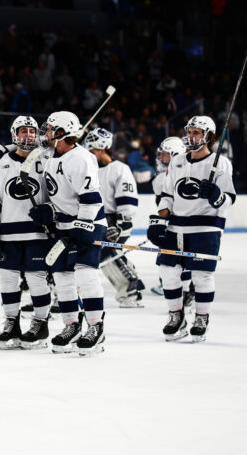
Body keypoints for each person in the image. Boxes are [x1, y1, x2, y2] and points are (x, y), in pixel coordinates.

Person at [28, 111, 107, 356]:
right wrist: (49, 211)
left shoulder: (81, 158)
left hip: (89, 223)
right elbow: (60, 197)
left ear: (62, 133)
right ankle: (71, 325)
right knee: (62, 278)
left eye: (50, 129)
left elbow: (91, 199)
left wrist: (83, 225)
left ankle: (96, 327)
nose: (46, 133)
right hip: (63, 226)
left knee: (85, 275)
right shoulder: (52, 157)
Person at [150, 116, 234, 343]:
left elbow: (229, 200)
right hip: (176, 225)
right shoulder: (177, 160)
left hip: (206, 226)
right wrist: (158, 221)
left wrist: (216, 196)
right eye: (190, 131)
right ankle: (176, 316)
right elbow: (167, 195)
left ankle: (201, 318)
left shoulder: (220, 163)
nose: (191, 136)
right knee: (168, 272)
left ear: (208, 136)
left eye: (197, 132)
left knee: (202, 275)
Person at [0, 116, 54, 349]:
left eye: (32, 131)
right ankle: (11, 322)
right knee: (8, 281)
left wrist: (51, 211)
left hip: (38, 234)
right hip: (8, 235)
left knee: (37, 280)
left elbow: (58, 192)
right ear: (14, 134)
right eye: (23, 131)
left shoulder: (47, 158)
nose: (29, 135)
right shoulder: (1, 163)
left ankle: (41, 323)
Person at [82, 128, 143, 308]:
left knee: (108, 254)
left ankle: (131, 288)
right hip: (92, 218)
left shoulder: (119, 169)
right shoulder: (88, 169)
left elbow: (127, 198)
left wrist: (122, 223)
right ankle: (130, 287)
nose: (90, 154)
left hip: (114, 220)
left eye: (92, 150)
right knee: (98, 256)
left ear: (103, 148)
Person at [150, 137, 190, 299]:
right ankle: (172, 284)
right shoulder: (161, 178)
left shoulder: (185, 172)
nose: (161, 158)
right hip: (172, 222)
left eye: (165, 154)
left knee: (183, 258)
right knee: (167, 258)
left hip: (184, 223)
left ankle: (187, 289)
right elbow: (161, 203)